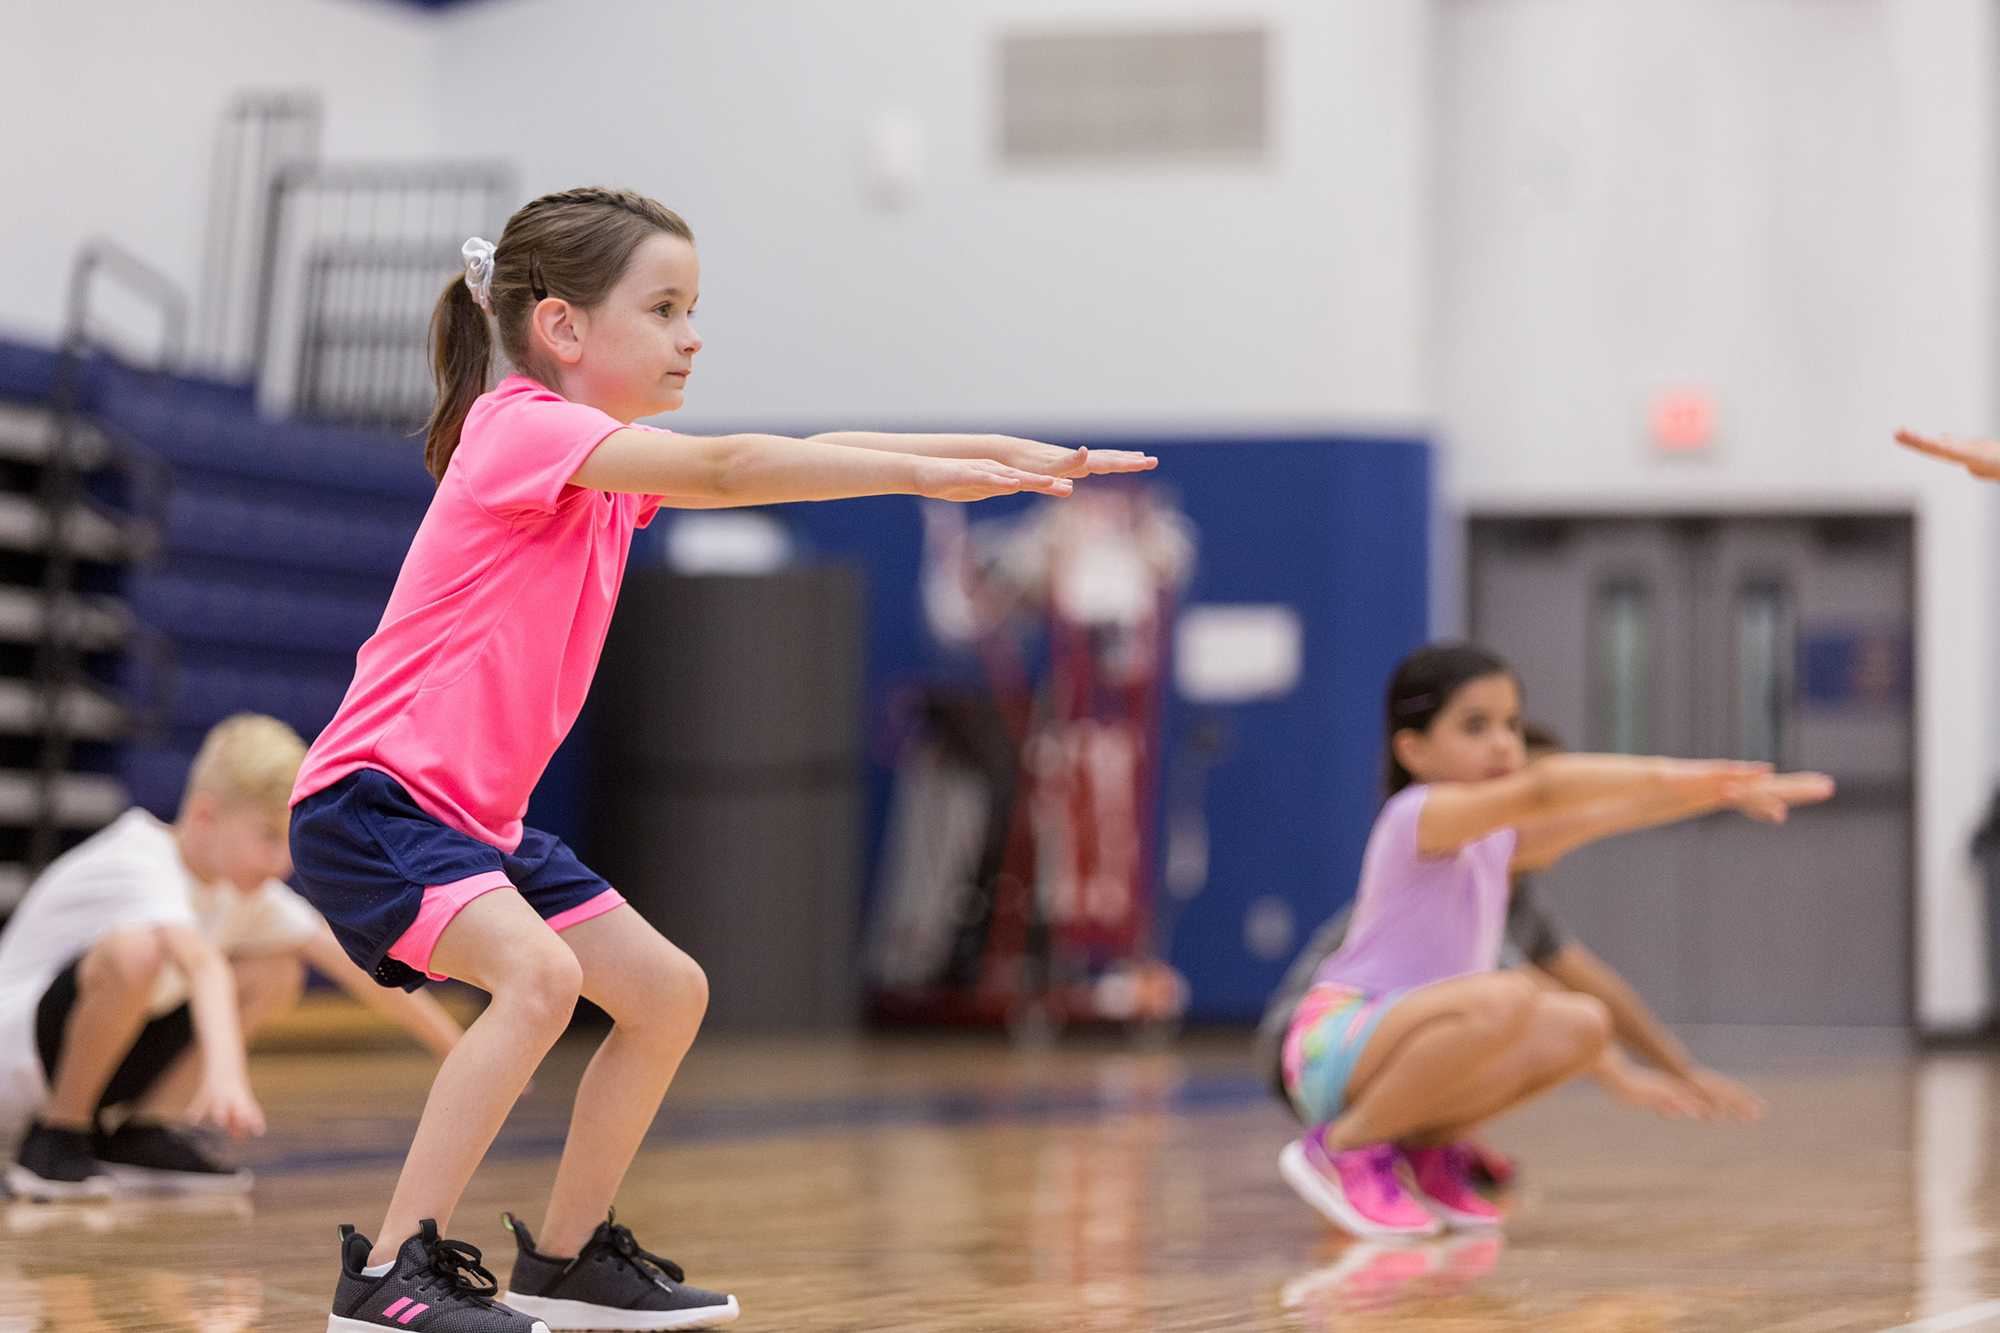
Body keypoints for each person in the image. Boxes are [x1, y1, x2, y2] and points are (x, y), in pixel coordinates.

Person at [287, 186, 1158, 1333]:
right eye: (665, 308)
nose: (692, 335)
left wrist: (983, 451)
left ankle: (564, 1257)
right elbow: (741, 465)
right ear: (561, 328)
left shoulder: (599, 466)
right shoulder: (519, 426)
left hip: (475, 823)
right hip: (374, 802)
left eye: (694, 309)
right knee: (540, 980)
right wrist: (926, 474)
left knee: (662, 994)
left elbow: (778, 451)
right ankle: (390, 1274)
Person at [1278, 643, 1832, 1238]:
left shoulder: (1498, 840)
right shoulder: (1417, 814)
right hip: (1331, 1044)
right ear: (1413, 750)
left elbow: (1606, 813)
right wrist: (1677, 772)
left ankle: (1425, 1146)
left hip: (1399, 1047)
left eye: (1511, 724)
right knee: (1508, 996)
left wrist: (1718, 793)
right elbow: (1544, 790)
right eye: (1475, 726)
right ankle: (1342, 1150)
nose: (1502, 743)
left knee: (1584, 1025)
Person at [1256, 721, 1764, 1171]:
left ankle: (1425, 1142)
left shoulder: (1516, 888)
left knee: (1567, 1020)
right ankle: (1355, 1147)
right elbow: (1527, 989)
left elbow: (1597, 988)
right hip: (1311, 1046)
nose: (1568, 817)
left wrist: (1680, 1068)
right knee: (1507, 1006)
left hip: (1388, 1037)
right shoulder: (1450, 872)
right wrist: (1623, 1077)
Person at [0, 713, 466, 1200]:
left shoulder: (240, 891)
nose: (282, 861)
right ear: (206, 817)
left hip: (81, 1058)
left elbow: (357, 966)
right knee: (135, 952)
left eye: (288, 840)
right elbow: (203, 966)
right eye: (268, 836)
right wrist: (226, 1070)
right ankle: (59, 1137)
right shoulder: (139, 858)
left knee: (275, 972)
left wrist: (458, 1048)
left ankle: (141, 1134)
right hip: (15, 1062)